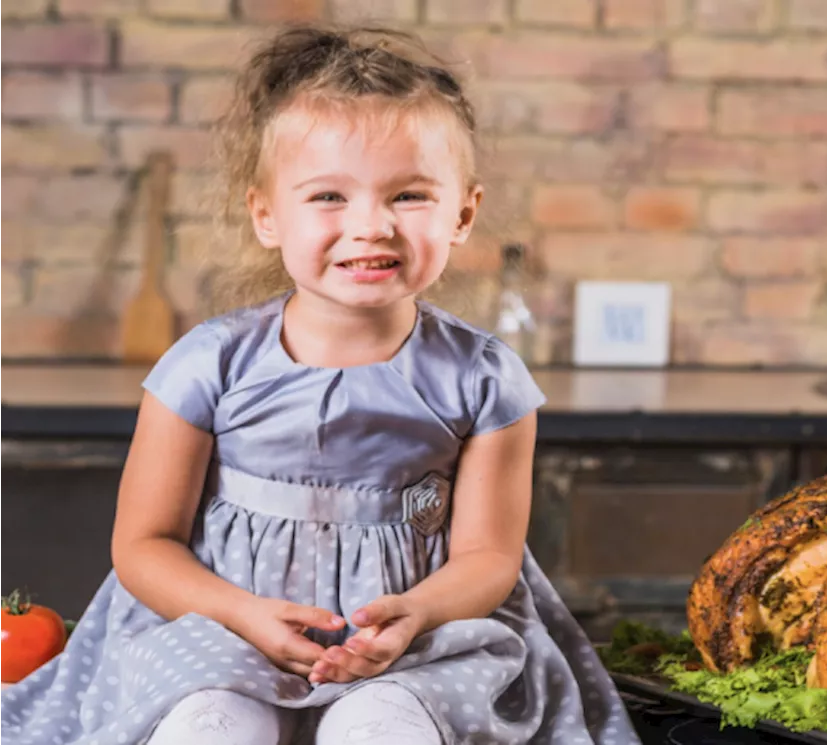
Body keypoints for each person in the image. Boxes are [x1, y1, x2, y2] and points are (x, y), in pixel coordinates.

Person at [0, 23, 642, 745]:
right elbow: (144, 544)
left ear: (463, 213)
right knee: (208, 728)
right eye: (329, 196)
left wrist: (416, 613)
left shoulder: (485, 379)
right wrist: (242, 614)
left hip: (414, 643)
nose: (370, 226)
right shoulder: (205, 365)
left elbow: (488, 557)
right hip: (219, 627)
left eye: (409, 196)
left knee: (384, 728)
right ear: (267, 215)